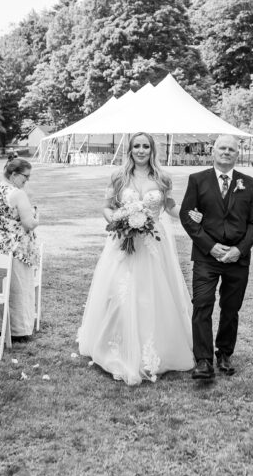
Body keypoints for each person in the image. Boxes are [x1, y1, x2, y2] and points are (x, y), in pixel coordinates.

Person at [78, 133, 193, 384]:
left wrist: (189, 214)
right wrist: (119, 221)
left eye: (146, 146)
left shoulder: (162, 178)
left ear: (153, 150)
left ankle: (155, 350)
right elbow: (107, 207)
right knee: (121, 294)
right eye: (136, 146)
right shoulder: (119, 176)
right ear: (129, 150)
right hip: (124, 242)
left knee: (152, 295)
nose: (141, 150)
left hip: (153, 244)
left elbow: (170, 206)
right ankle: (117, 347)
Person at [179, 134, 253, 380]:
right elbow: (187, 216)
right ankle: (203, 361)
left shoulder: (249, 183)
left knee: (230, 308)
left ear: (237, 154)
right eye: (222, 148)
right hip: (207, 257)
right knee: (202, 305)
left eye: (231, 149)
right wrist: (210, 246)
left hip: (238, 258)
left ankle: (224, 353)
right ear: (213, 152)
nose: (226, 152)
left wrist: (240, 249)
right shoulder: (197, 180)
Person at [0, 158, 40, 341]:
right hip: (15, 248)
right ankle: (18, 330)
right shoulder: (17, 194)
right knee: (18, 289)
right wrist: (37, 217)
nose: (27, 181)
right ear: (14, 174)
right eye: (25, 176)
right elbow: (28, 223)